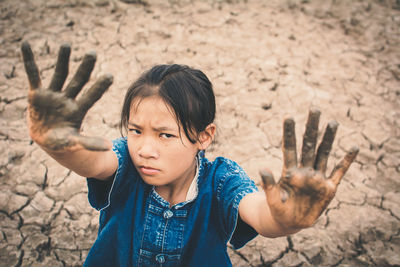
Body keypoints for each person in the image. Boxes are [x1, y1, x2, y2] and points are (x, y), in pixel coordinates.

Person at [21, 41, 358, 266]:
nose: (145, 149)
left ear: (204, 136)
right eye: (136, 130)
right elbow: (91, 160)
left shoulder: (221, 181)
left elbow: (261, 214)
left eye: (165, 135)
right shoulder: (126, 162)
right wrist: (58, 144)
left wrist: (286, 220)